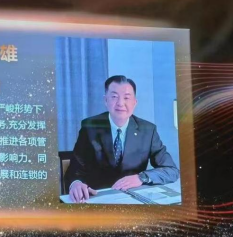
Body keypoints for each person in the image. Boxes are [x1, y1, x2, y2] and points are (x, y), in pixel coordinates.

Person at [65, 75, 179, 203]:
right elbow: (74, 169)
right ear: (106, 100)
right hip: (97, 198)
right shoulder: (89, 127)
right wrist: (76, 183)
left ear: (134, 102)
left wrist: (141, 178)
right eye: (114, 97)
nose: (120, 103)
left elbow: (172, 170)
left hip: (133, 200)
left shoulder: (148, 130)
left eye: (126, 98)